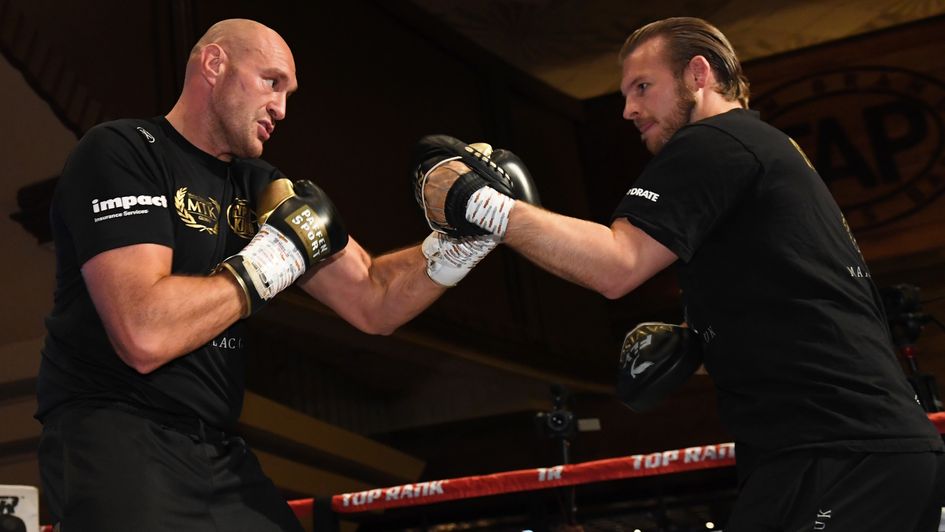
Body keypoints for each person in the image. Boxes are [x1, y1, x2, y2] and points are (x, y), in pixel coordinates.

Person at [418, 17, 945, 531]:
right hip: (850, 450)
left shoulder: (715, 141)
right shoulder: (767, 150)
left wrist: (479, 203)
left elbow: (617, 266)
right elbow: (807, 296)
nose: (628, 109)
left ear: (699, 74)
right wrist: (704, 342)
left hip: (838, 452)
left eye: (643, 87)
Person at [35, 18, 495, 531]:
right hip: (115, 431)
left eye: (289, 93)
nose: (281, 108)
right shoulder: (124, 151)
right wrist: (273, 260)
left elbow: (374, 299)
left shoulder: (261, 185)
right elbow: (144, 331)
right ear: (214, 65)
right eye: (271, 82)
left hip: (217, 449)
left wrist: (463, 243)